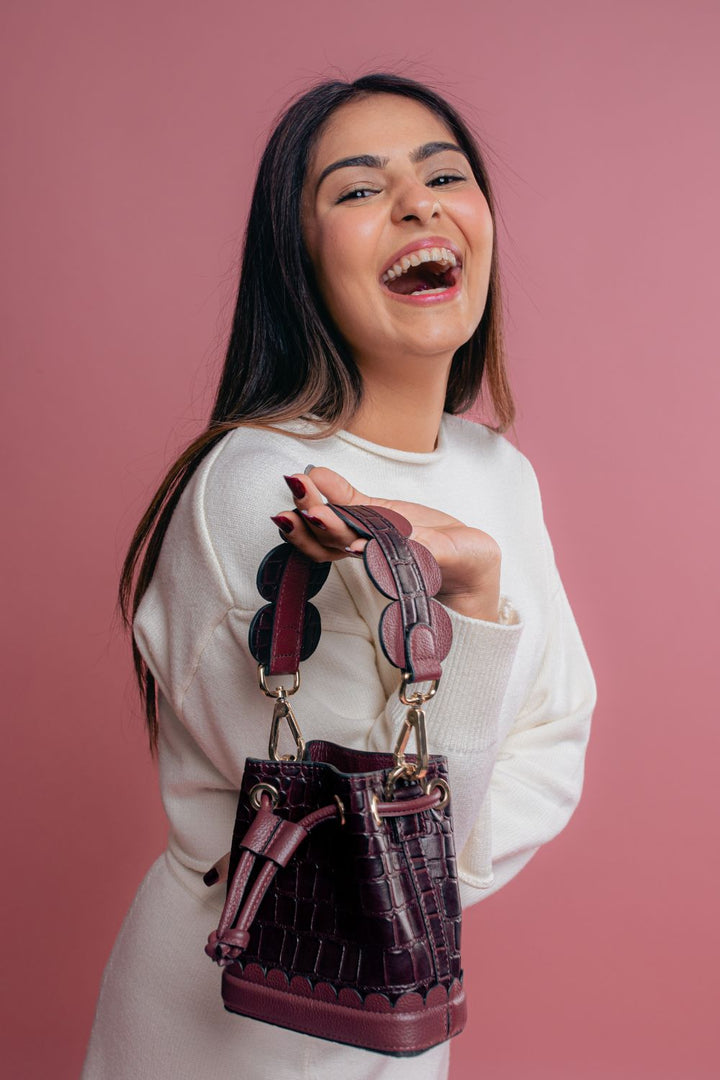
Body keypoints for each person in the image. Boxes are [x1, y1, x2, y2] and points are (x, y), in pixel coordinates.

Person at [82, 73, 596, 1080]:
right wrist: (478, 609)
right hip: (237, 1024)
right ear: (298, 261)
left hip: (396, 1011)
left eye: (444, 174)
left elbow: (553, 745)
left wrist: (436, 837)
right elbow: (381, 852)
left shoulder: (499, 475)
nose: (417, 203)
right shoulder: (251, 486)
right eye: (358, 190)